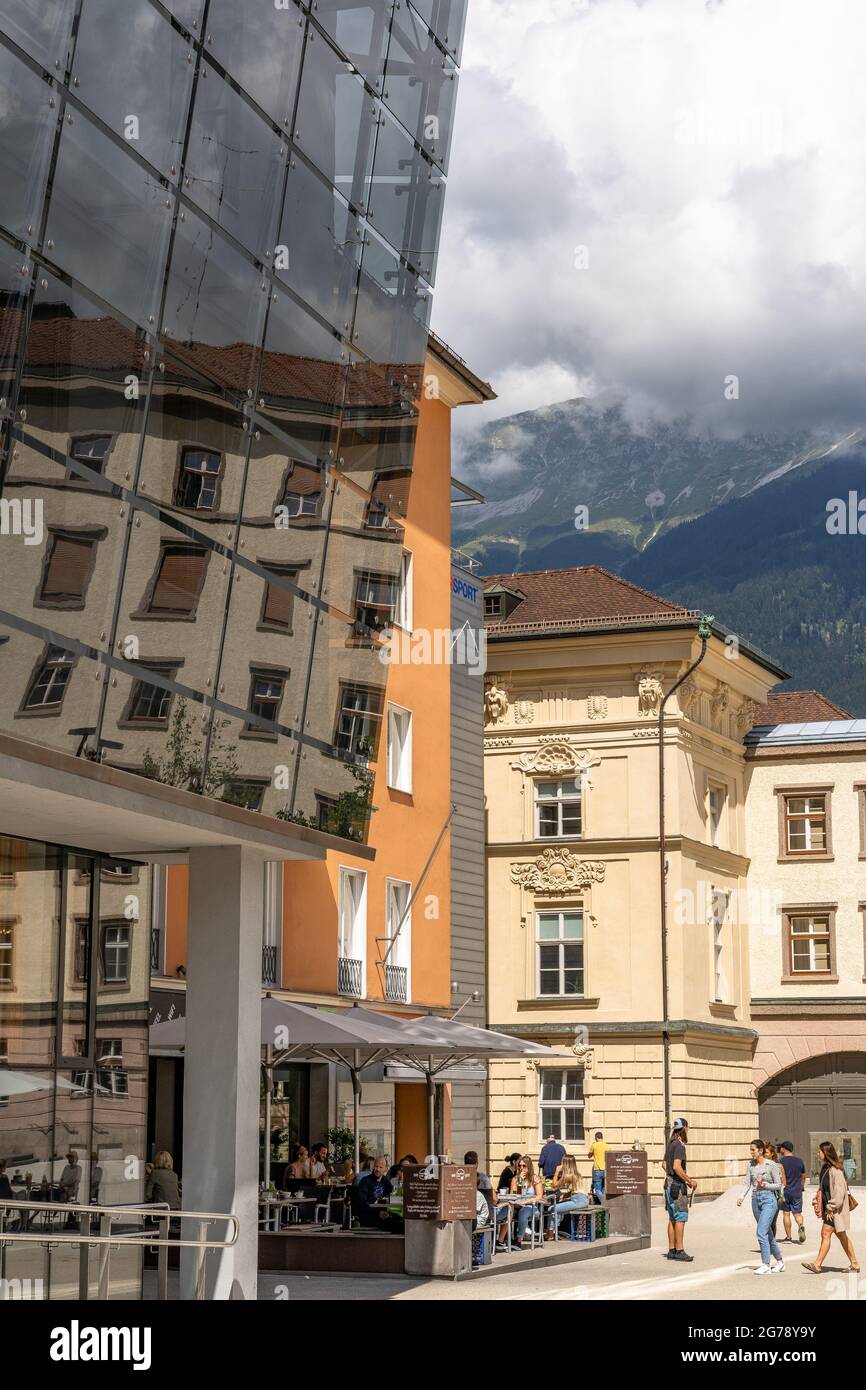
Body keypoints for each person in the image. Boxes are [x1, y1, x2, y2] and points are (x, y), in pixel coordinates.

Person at [802, 1141, 860, 1275]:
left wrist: (830, 1207)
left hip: (834, 1210)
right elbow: (824, 1189)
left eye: (819, 1151)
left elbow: (840, 1192)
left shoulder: (836, 1170)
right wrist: (817, 1200)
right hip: (829, 1209)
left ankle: (817, 1265)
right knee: (841, 1235)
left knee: (826, 1233)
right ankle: (855, 1263)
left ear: (826, 1153)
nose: (817, 1153)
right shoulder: (825, 1169)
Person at [736, 1139, 784, 1274]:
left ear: (760, 1150)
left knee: (761, 1232)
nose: (751, 1152)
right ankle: (780, 1262)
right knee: (768, 1234)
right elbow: (747, 1183)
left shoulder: (771, 1165)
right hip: (755, 1200)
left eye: (753, 1149)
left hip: (769, 1199)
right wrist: (741, 1196)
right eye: (750, 1149)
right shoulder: (750, 1165)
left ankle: (766, 1264)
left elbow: (779, 1185)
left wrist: (765, 1185)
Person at [663, 1118, 697, 1262]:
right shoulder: (680, 1146)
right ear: (685, 1128)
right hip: (677, 1186)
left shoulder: (670, 1143)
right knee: (681, 1217)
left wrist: (671, 1175)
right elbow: (677, 1166)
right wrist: (689, 1180)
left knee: (672, 1218)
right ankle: (680, 1250)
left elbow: (664, 1165)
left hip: (668, 1183)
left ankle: (672, 1250)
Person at [495, 1155, 544, 1250]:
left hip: (531, 1206)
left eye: (524, 1166)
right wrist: (519, 1181)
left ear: (529, 1166)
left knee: (523, 1212)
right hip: (517, 1205)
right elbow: (512, 1194)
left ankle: (518, 1239)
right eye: (520, 1166)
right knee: (509, 1209)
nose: (521, 1168)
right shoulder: (515, 1179)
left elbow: (539, 1196)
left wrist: (527, 1201)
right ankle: (500, 1240)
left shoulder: (535, 1179)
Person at [355, 1156, 403, 1233]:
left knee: (401, 1222)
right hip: (369, 1216)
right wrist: (378, 1213)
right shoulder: (366, 1181)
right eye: (376, 1166)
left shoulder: (385, 1181)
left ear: (386, 1169)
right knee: (399, 1226)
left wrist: (400, 1181)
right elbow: (362, 1203)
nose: (378, 1169)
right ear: (373, 1166)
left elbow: (393, 1197)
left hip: (383, 1215)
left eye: (381, 1167)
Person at [546, 1154, 589, 1237]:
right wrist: (564, 1196)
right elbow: (575, 1190)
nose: (560, 1164)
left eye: (562, 1162)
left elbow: (554, 1185)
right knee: (557, 1206)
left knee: (552, 1208)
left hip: (578, 1201)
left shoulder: (568, 1176)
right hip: (581, 1199)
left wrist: (557, 1171)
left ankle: (551, 1233)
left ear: (566, 1163)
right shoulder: (576, 1174)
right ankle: (553, 1231)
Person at [778, 1141, 806, 1245]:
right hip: (797, 1191)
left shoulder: (781, 1161)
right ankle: (800, 1225)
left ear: (784, 1149)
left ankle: (789, 1237)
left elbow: (780, 1178)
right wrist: (801, 1186)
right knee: (797, 1213)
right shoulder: (799, 1161)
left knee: (786, 1214)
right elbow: (803, 1175)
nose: (780, 1149)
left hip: (785, 1191)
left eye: (781, 1148)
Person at [465, 1151, 494, 1223]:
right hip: (482, 1217)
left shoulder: (462, 1177)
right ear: (476, 1164)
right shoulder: (483, 1178)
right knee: (508, 1210)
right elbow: (494, 1199)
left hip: (465, 1215)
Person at [587, 1131, 608, 1205]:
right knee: (603, 1188)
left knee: (597, 1188)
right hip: (605, 1170)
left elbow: (589, 1156)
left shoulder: (594, 1145)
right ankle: (603, 1201)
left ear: (596, 1137)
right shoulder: (607, 1146)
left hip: (597, 1169)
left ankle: (603, 1202)